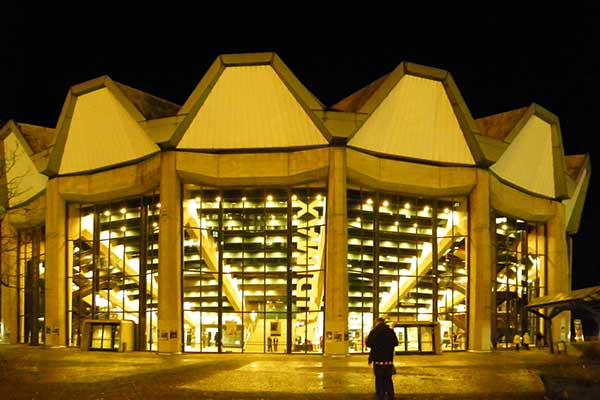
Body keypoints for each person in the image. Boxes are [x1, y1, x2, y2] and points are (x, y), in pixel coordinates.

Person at [366, 317, 399, 400]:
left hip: (378, 359)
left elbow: (369, 343)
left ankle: (380, 394)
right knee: (388, 378)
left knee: (379, 378)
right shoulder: (390, 331)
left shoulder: (374, 332)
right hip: (388, 359)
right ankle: (390, 394)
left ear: (377, 322)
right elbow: (396, 343)